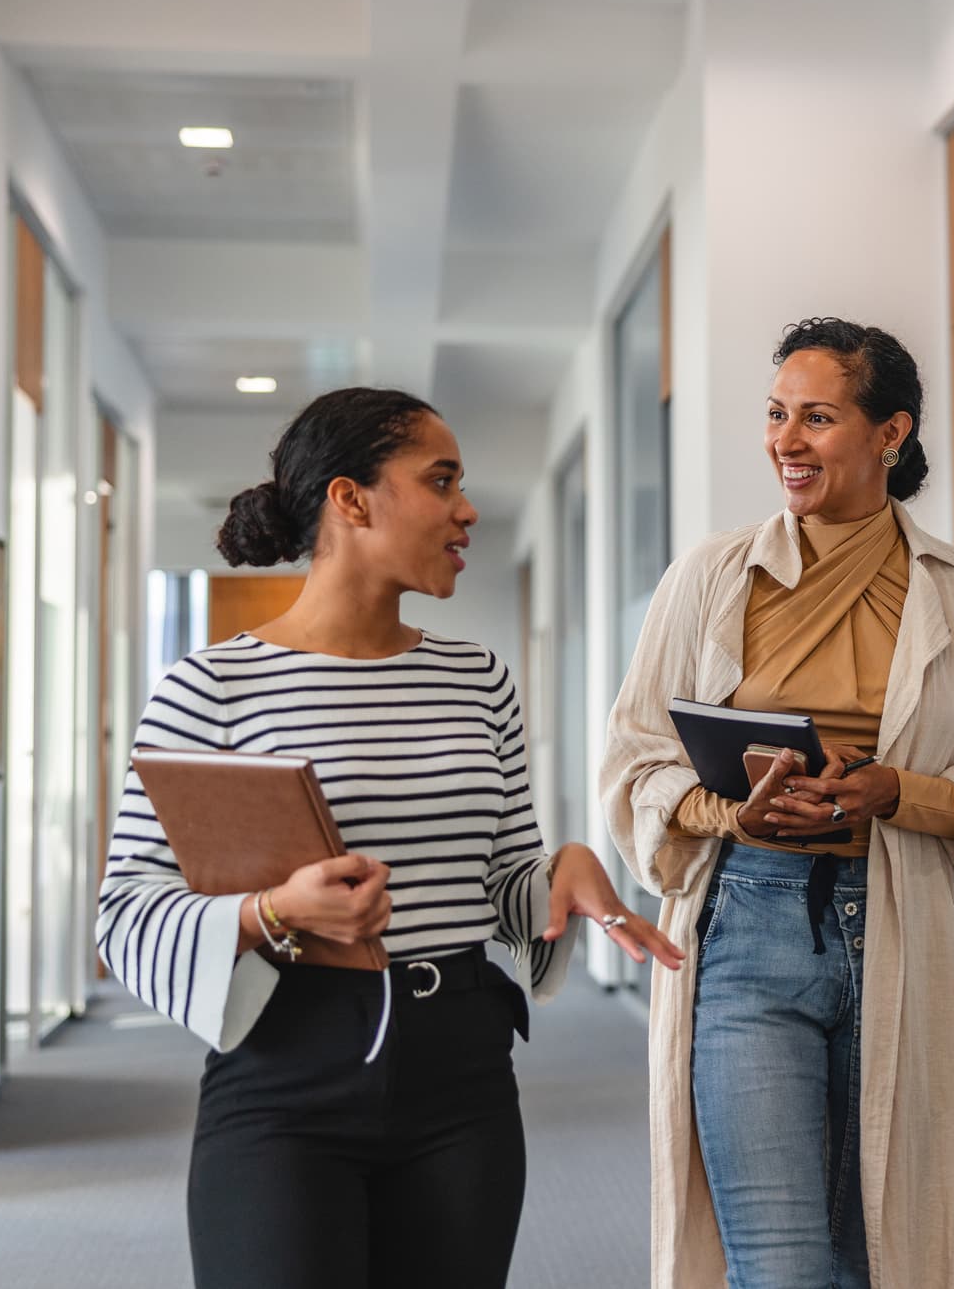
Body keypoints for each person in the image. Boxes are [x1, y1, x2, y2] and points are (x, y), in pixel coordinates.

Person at [96, 386, 681, 1289]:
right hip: (286, 1070)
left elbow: (500, 881)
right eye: (441, 480)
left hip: (461, 1073)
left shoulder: (479, 680)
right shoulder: (208, 690)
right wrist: (271, 912)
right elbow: (128, 912)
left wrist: (562, 869)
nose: (467, 508)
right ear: (351, 499)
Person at [600, 319, 954, 1289]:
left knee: (887, 1255)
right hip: (747, 925)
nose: (785, 440)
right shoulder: (708, 576)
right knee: (778, 1265)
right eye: (777, 414)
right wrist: (731, 814)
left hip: (903, 923)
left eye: (816, 417)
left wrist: (896, 789)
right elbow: (634, 760)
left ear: (889, 432)